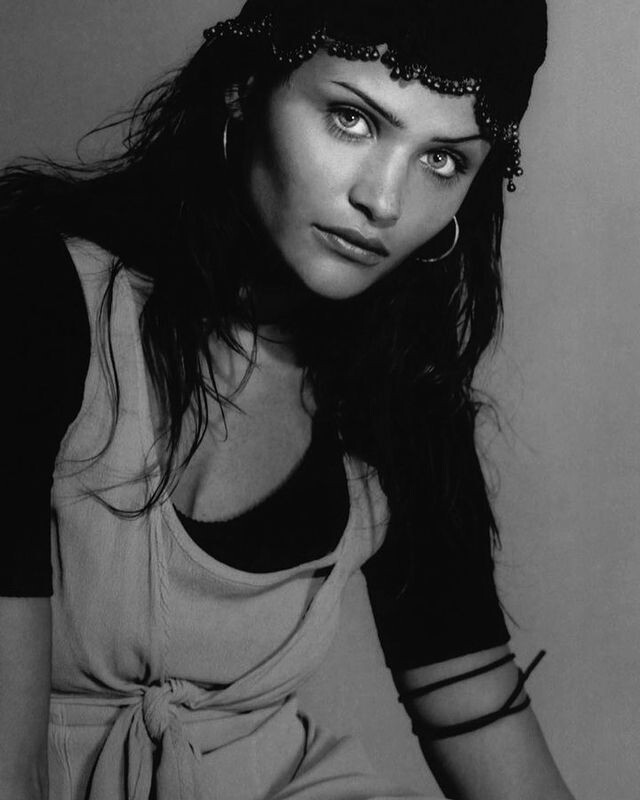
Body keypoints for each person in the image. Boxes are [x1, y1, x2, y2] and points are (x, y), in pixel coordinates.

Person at [0, 0, 577, 798]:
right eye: (352, 119)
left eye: (443, 160)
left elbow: (484, 719)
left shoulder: (403, 402)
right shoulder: (34, 295)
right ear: (245, 87)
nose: (384, 200)